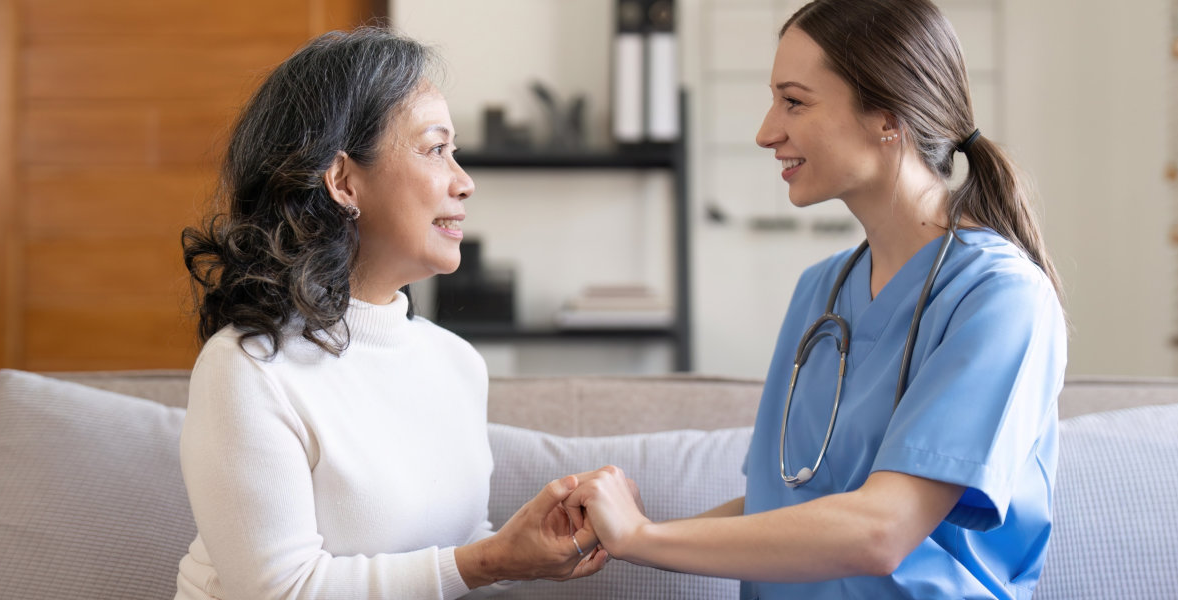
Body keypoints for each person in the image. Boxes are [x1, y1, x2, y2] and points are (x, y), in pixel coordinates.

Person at [561, 0, 1068, 598]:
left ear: (887, 115)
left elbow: (881, 530)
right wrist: (612, 535)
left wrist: (641, 538)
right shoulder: (820, 293)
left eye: (794, 101)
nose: (766, 131)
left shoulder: (1000, 297)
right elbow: (785, 505)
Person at [175, 28, 606, 600]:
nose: (464, 181)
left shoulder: (456, 363)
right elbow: (281, 591)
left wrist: (523, 551)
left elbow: (457, 556)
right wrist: (489, 560)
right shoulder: (249, 367)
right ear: (344, 180)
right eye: (435, 149)